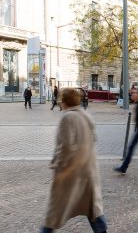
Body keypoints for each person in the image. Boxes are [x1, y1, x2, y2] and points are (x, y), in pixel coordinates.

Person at [40, 88, 108, 233]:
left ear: (63, 101)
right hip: (87, 171)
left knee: (54, 212)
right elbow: (93, 139)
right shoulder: (85, 114)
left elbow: (65, 147)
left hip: (71, 174)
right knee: (92, 209)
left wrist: (58, 167)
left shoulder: (68, 117)